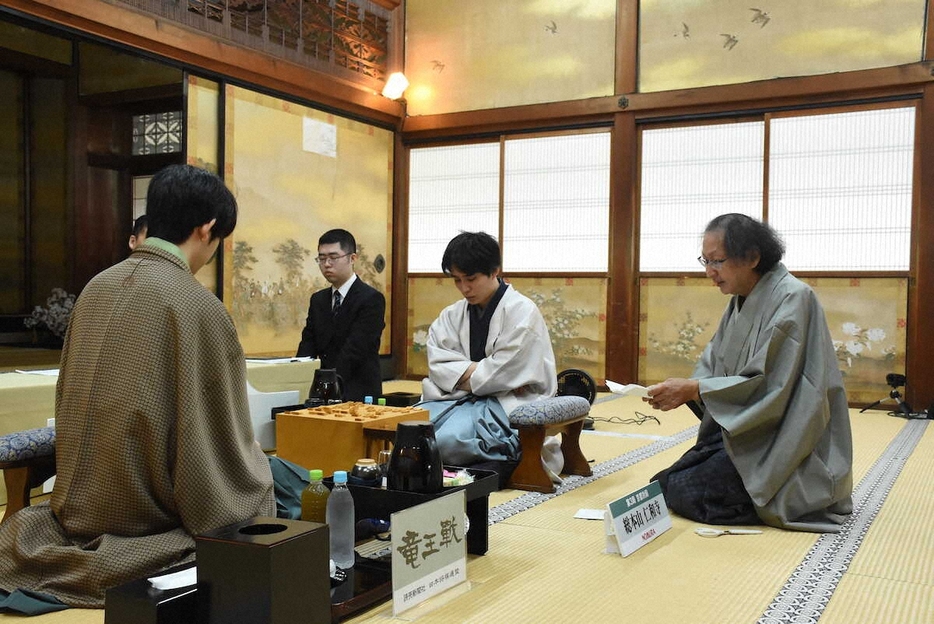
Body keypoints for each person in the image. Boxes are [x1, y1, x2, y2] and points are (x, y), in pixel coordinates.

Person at [0, 164, 275, 609]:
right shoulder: (198, 307)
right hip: (143, 517)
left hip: (75, 503)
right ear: (207, 229)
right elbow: (215, 440)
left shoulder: (96, 287)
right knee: (263, 490)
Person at [645, 213, 853, 532]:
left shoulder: (794, 298)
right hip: (751, 434)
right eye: (705, 260)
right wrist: (684, 389)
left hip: (787, 440)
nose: (709, 272)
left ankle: (784, 495)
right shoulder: (742, 299)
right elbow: (715, 363)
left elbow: (770, 384)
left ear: (752, 257)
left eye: (717, 261)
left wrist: (696, 389)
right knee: (663, 484)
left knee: (687, 491)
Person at [420, 231, 557, 467]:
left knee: (445, 440)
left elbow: (505, 373)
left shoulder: (522, 311)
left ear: (494, 271)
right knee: (410, 431)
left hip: (509, 401)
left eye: (471, 278)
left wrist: (464, 374)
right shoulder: (452, 314)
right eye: (457, 280)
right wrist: (484, 373)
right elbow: (439, 365)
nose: (464, 288)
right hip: (457, 399)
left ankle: (506, 453)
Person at [297, 229, 385, 402]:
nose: (327, 264)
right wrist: (298, 375)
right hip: (321, 390)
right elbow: (308, 343)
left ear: (352, 258)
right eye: (321, 259)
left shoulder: (371, 299)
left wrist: (327, 384)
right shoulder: (318, 299)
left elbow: (355, 350)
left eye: (333, 257)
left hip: (357, 391)